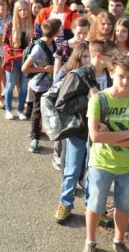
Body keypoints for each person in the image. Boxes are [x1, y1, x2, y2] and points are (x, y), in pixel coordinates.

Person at [83, 55, 129, 252]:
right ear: (111, 73)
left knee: (125, 207)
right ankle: (90, 241)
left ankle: (119, 241)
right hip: (101, 164)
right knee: (95, 205)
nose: (125, 82)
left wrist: (111, 134)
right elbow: (96, 136)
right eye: (120, 76)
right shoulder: (99, 100)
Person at [53, 39, 115, 225]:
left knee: (96, 172)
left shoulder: (111, 75)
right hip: (79, 133)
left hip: (102, 133)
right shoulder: (78, 76)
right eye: (111, 56)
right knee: (72, 170)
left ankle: (94, 207)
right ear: (99, 56)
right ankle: (65, 203)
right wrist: (87, 99)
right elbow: (61, 104)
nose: (114, 59)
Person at [23, 17, 62, 153]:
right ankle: (34, 139)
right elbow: (25, 68)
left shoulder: (52, 43)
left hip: (48, 84)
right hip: (38, 85)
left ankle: (39, 131)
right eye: (60, 29)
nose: (61, 31)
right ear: (56, 32)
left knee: (46, 111)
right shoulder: (39, 48)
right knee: (37, 112)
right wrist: (44, 69)